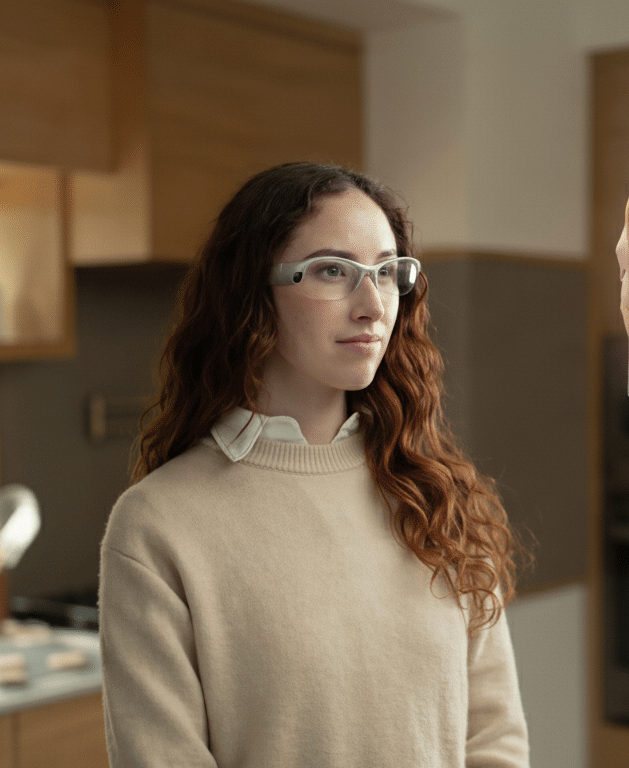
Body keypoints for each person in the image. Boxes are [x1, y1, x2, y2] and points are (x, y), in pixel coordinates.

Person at [98, 162, 531, 768]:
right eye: (333, 270)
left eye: (385, 273)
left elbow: (495, 740)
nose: (372, 306)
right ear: (252, 293)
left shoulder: (436, 493)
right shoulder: (158, 525)